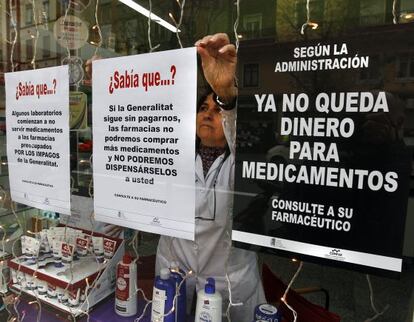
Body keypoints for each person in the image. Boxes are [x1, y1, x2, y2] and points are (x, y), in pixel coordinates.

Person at [156, 33, 266, 321]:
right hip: (174, 276)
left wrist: (227, 97)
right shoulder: (170, 157)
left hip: (230, 285)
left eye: (217, 111)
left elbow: (245, 143)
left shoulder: (240, 163)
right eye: (203, 108)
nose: (208, 114)